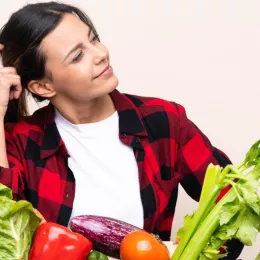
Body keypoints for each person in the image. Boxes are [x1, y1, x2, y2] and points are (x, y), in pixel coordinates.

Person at [0, 2, 243, 259]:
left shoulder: (163, 121)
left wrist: (185, 254)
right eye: (77, 55)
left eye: (94, 39)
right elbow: (5, 234)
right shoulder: (19, 141)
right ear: (43, 87)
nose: (100, 53)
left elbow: (235, 205)